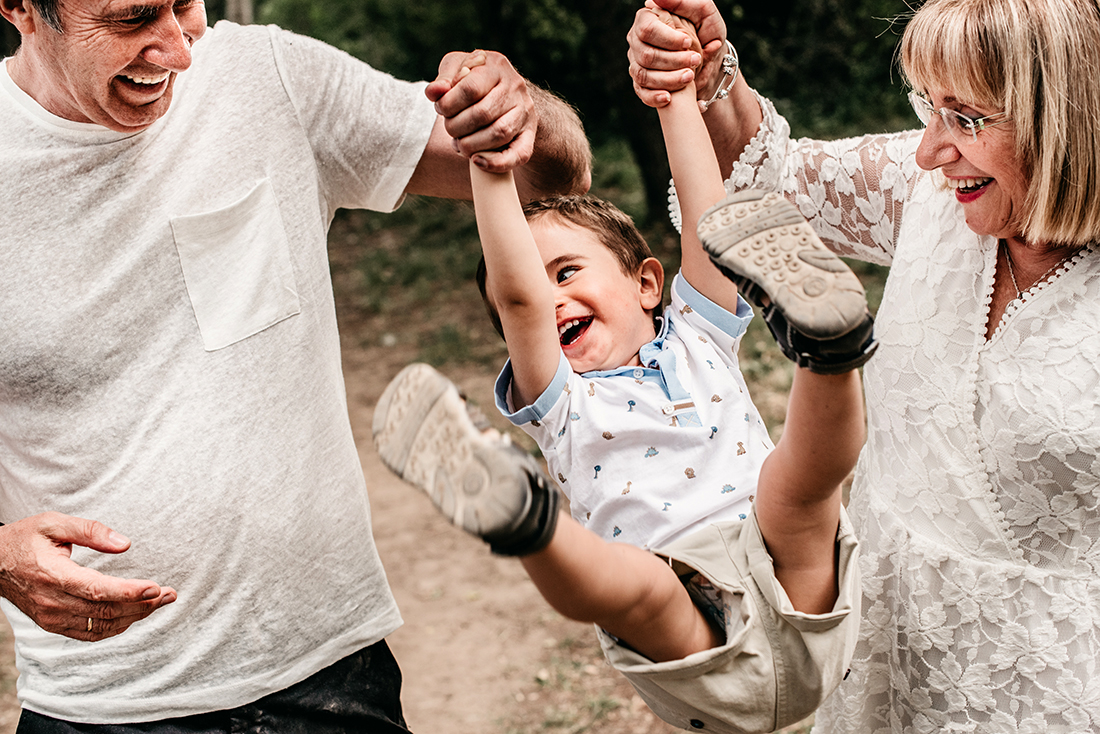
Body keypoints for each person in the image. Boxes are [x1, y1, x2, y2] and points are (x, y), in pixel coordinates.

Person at [0, 0, 590, 729]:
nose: (179, 52)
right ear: (20, 7)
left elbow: (552, 180)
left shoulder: (268, 76)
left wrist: (510, 104)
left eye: (185, 7)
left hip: (331, 678)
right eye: (131, 20)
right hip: (102, 703)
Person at [372, 31, 874, 732]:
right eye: (529, 294)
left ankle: (832, 344)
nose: (549, 302)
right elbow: (517, 295)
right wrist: (489, 163)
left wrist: (673, 101)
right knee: (638, 590)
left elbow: (711, 226)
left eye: (567, 273)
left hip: (783, 570)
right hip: (688, 609)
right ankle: (523, 516)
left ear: (645, 283)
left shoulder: (699, 337)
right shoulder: (563, 402)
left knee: (799, 490)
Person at [627, 0, 1100, 731]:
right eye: (928, 107)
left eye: (966, 118)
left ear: (1067, 116)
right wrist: (710, 77)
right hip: (883, 642)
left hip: (1048, 689)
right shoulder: (928, 193)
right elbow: (763, 189)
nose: (929, 150)